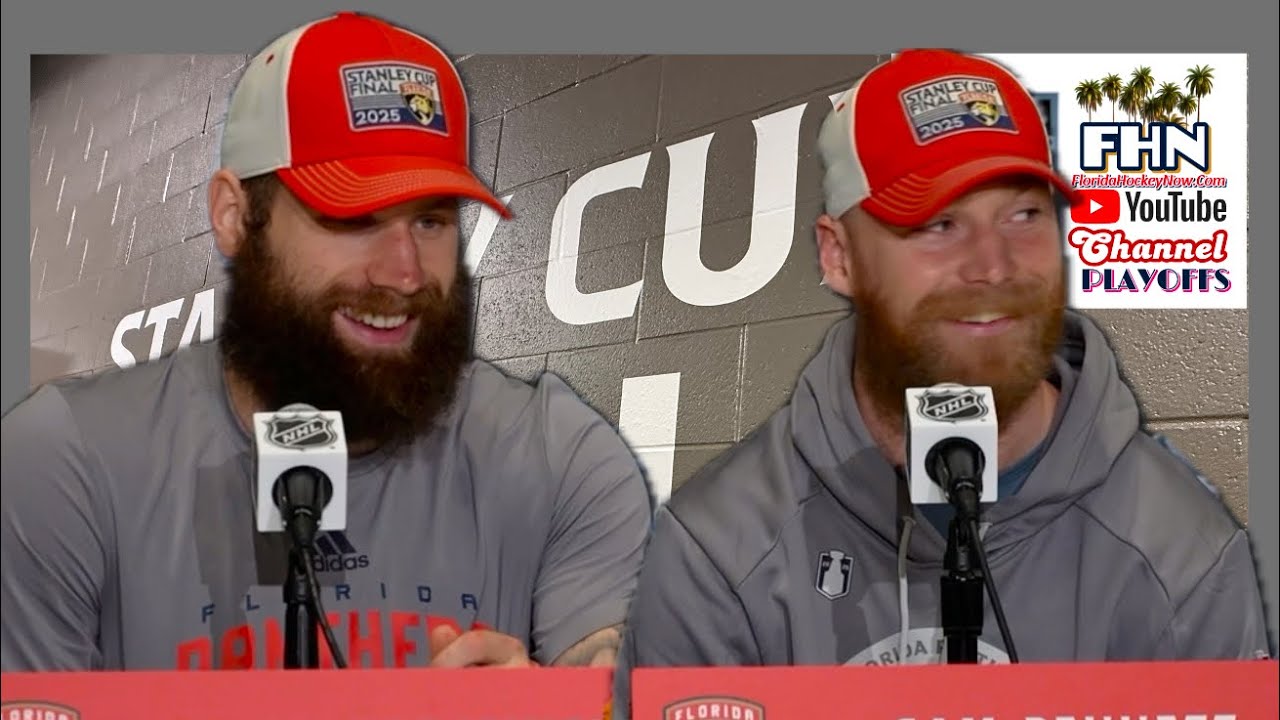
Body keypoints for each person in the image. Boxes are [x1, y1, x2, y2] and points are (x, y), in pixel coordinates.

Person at [611, 48, 1270, 717]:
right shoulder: (717, 553)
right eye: (936, 224)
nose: (993, 265)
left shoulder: (1186, 557)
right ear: (839, 255)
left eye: (1024, 216)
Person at [2, 10, 653, 672]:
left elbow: (609, 672)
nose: (403, 272)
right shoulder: (64, 465)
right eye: (351, 218)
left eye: (430, 220)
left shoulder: (558, 456)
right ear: (234, 216)